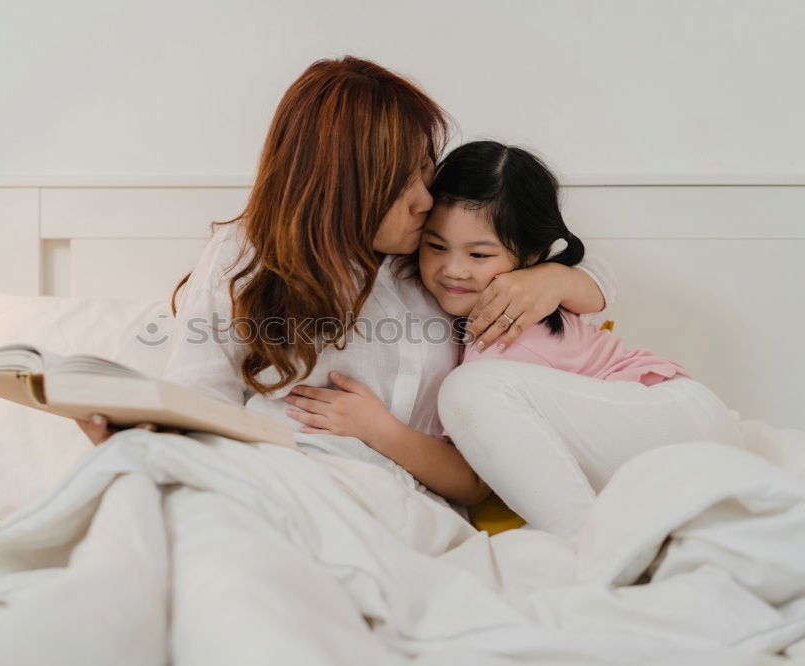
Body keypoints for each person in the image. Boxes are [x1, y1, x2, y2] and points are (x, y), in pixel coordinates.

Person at [76, 58, 615, 513]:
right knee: (145, 512)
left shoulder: (436, 259)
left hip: (390, 499)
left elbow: (596, 286)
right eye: (402, 180)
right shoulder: (246, 254)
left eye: (426, 173)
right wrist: (147, 440)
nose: (424, 200)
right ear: (345, 183)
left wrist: (555, 275)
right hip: (261, 480)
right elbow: (201, 393)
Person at [291, 139, 745, 538]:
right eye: (435, 246)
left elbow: (471, 482)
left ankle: (585, 544)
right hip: (649, 439)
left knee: (468, 389)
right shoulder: (475, 314)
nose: (454, 269)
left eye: (479, 254)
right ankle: (595, 542)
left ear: (527, 255)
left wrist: (380, 430)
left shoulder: (513, 324)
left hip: (673, 418)